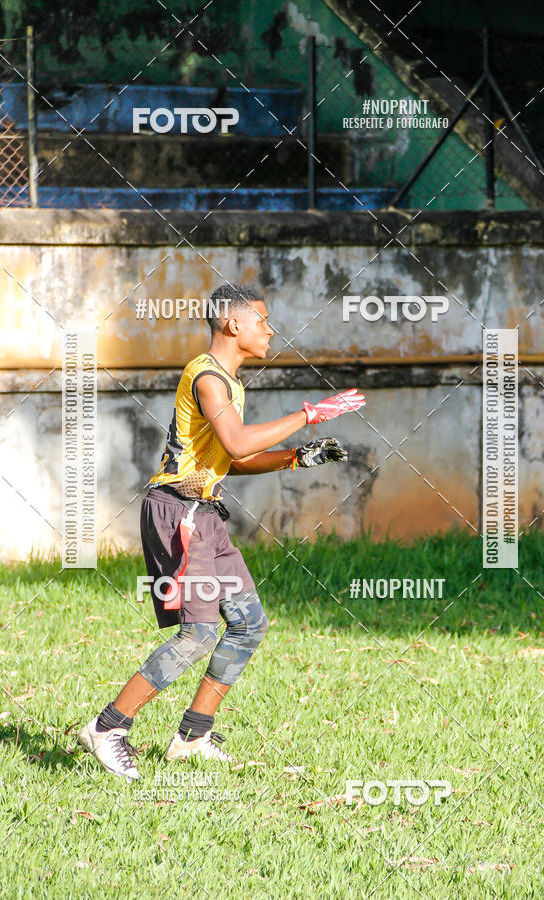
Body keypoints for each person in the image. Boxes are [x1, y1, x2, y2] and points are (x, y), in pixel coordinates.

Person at [78, 283, 365, 780]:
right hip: (178, 514)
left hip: (205, 515)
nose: (270, 330)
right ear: (233, 324)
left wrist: (298, 456)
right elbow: (236, 439)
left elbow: (235, 456)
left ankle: (192, 736)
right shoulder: (206, 376)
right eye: (263, 320)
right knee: (199, 633)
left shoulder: (232, 383)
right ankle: (107, 728)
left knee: (250, 624)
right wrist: (306, 414)